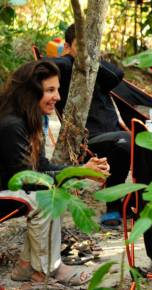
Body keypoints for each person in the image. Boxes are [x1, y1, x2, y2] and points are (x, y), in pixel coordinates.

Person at [0, 61, 109, 285]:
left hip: (10, 187)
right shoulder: (11, 124)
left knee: (49, 190)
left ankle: (27, 266)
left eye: (57, 89)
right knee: (45, 198)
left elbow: (40, 167)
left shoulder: (31, 118)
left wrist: (83, 170)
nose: (58, 96)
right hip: (8, 188)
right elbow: (30, 181)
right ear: (31, 92)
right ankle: (48, 270)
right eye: (50, 90)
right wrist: (79, 172)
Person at [52, 24, 131, 227]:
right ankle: (113, 205)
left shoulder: (97, 72)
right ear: (68, 46)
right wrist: (72, 58)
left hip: (115, 133)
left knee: (144, 139)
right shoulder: (64, 68)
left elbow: (117, 76)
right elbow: (46, 65)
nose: (87, 50)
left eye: (92, 46)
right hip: (90, 140)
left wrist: (89, 57)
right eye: (82, 45)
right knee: (126, 142)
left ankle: (136, 200)